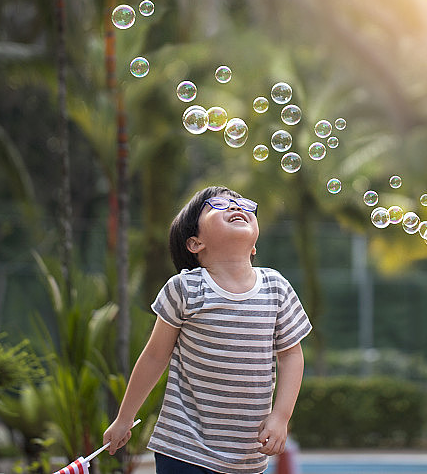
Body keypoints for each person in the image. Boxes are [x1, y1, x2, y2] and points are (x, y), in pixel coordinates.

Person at [103, 186, 312, 474]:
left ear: (253, 246)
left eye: (243, 203)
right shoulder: (185, 288)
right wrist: (124, 419)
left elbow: (291, 356)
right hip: (182, 445)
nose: (237, 206)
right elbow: (154, 357)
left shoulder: (276, 288)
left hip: (246, 455)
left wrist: (280, 417)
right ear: (194, 243)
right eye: (219, 204)